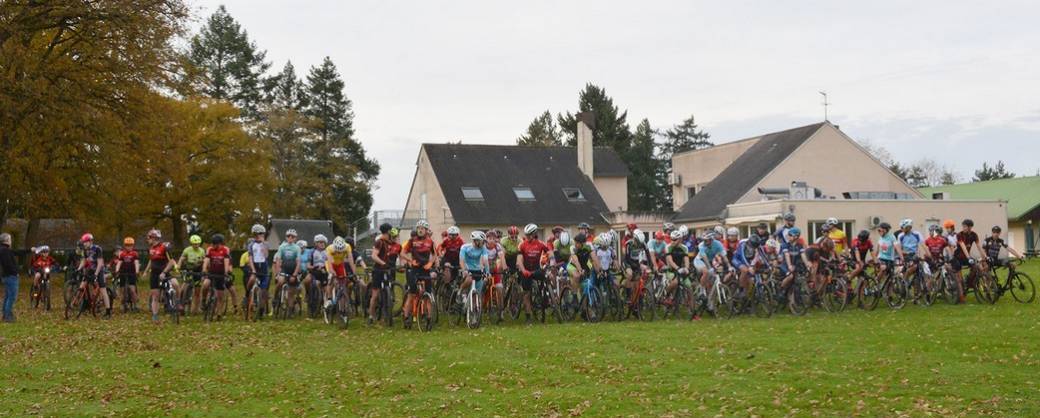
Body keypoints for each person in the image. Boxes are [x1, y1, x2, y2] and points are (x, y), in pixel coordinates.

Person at [401, 220, 436, 324]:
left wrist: (431, 263)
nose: (420, 230)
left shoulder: (430, 242)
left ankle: (428, 317)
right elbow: (402, 253)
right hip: (414, 270)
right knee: (412, 294)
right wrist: (410, 261)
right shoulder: (412, 240)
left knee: (427, 294)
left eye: (422, 228)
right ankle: (407, 316)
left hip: (425, 270)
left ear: (426, 230)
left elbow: (435, 255)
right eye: (419, 228)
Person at [517, 223, 550, 323]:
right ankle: (528, 316)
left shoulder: (540, 244)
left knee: (547, 279)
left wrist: (551, 262)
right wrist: (523, 270)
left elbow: (550, 252)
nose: (527, 237)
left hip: (536, 269)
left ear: (534, 233)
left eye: (529, 234)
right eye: (526, 235)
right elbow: (519, 260)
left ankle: (546, 297)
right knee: (526, 293)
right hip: (526, 270)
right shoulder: (522, 244)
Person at [145, 229, 177, 323]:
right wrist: (146, 271)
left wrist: (164, 272)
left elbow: (171, 262)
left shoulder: (164, 247)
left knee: (175, 284)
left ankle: (178, 303)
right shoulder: (151, 249)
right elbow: (151, 261)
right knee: (155, 296)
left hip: (164, 272)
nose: (147, 240)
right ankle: (155, 315)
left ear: (154, 238)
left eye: (149, 238)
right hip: (154, 274)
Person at [77, 233, 111, 318]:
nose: (84, 244)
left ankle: (108, 311)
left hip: (99, 270)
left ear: (91, 241)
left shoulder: (97, 249)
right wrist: (78, 269)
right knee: (82, 286)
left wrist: (96, 274)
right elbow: (83, 261)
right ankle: (84, 304)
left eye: (86, 242)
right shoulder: (85, 250)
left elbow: (100, 263)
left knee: (103, 290)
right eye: (83, 242)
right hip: (90, 270)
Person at [369, 223, 396, 324]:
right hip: (378, 270)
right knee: (375, 295)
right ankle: (371, 316)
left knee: (388, 289)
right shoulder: (379, 242)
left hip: (387, 269)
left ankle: (387, 312)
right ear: (388, 231)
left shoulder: (389, 242)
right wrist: (383, 263)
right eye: (390, 231)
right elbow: (374, 256)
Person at [696, 232, 729, 312]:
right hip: (700, 261)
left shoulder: (718, 244)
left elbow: (724, 256)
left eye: (706, 241)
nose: (705, 242)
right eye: (704, 240)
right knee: (706, 272)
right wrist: (710, 268)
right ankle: (701, 290)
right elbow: (704, 258)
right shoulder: (701, 245)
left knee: (713, 283)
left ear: (711, 240)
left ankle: (710, 303)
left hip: (710, 261)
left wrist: (729, 266)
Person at [201, 234, 231, 319]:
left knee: (220, 296)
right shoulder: (209, 249)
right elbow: (206, 260)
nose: (213, 245)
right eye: (213, 243)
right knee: (205, 285)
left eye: (215, 244)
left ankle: (219, 313)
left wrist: (226, 272)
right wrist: (204, 269)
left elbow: (226, 261)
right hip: (212, 272)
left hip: (221, 273)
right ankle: (203, 300)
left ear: (220, 244)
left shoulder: (225, 250)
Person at [324, 236, 358, 310]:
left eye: (341, 251)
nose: (339, 252)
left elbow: (351, 261)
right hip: (331, 263)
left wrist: (354, 273)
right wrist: (333, 273)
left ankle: (342, 309)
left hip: (340, 264)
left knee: (342, 283)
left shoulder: (348, 247)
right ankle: (329, 299)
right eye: (338, 251)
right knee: (331, 279)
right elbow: (330, 264)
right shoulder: (329, 249)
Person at [272, 229, 302, 311]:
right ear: (286, 237)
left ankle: (290, 310)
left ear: (295, 238)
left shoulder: (297, 248)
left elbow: (298, 262)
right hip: (284, 268)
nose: (290, 238)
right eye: (288, 236)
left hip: (293, 269)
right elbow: (278, 260)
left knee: (291, 292)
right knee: (280, 281)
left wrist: (295, 274)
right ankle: (275, 297)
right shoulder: (282, 247)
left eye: (292, 236)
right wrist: (278, 272)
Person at [952, 219, 981, 303]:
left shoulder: (974, 235)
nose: (963, 228)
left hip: (965, 258)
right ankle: (961, 297)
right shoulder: (959, 235)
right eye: (963, 226)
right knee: (959, 279)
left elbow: (979, 247)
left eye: (965, 227)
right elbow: (963, 246)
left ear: (970, 227)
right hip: (957, 258)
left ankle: (969, 281)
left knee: (976, 266)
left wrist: (985, 256)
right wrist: (969, 257)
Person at [459, 231, 490, 307]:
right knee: (469, 279)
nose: (484, 243)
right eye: (482, 241)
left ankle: (473, 311)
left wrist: (487, 272)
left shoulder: (483, 248)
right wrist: (464, 270)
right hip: (467, 269)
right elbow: (461, 261)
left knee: (477, 293)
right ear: (476, 241)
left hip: (477, 270)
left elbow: (485, 261)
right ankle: (460, 292)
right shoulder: (465, 247)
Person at [177, 234, 206, 314]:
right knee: (184, 287)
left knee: (197, 291)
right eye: (194, 244)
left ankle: (195, 309)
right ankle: (180, 303)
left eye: (198, 244)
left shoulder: (202, 251)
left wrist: (204, 269)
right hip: (189, 269)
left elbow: (204, 261)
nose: (196, 245)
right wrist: (178, 265)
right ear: (191, 244)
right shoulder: (187, 250)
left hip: (198, 270)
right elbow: (182, 258)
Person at [246, 224, 271, 315]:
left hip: (264, 267)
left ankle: (261, 308)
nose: (258, 236)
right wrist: (253, 269)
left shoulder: (266, 244)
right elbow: (250, 258)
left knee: (263, 290)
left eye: (260, 234)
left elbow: (266, 255)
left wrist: (263, 243)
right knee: (252, 279)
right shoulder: (251, 244)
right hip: (255, 266)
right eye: (256, 234)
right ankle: (247, 293)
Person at [663, 230, 691, 307]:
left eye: (674, 239)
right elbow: (670, 260)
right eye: (671, 239)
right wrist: (677, 268)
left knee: (689, 286)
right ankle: (667, 295)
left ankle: (693, 312)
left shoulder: (684, 248)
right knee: (675, 282)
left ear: (680, 239)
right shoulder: (668, 247)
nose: (672, 241)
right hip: (671, 270)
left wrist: (687, 268)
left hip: (680, 270)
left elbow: (686, 260)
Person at [732, 234, 763, 300]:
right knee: (745, 270)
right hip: (737, 259)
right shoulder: (743, 244)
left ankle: (746, 297)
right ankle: (741, 290)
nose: (754, 248)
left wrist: (769, 266)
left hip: (747, 260)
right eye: (753, 246)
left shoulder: (757, 246)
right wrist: (749, 267)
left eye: (756, 246)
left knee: (750, 280)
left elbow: (762, 255)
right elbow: (743, 256)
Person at [622, 229, 652, 294]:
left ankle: (637, 295)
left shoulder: (643, 243)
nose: (639, 244)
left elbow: (648, 255)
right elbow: (627, 258)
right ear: (634, 239)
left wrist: (651, 265)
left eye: (640, 243)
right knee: (630, 275)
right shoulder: (628, 244)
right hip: (627, 262)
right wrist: (636, 266)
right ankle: (627, 295)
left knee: (638, 280)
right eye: (638, 242)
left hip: (636, 262)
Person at [113, 238, 140, 310]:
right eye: (127, 245)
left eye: (130, 245)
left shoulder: (135, 253)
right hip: (123, 273)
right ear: (125, 246)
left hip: (132, 273)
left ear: (133, 246)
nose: (129, 247)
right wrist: (117, 270)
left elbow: (136, 263)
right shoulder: (122, 253)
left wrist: (137, 271)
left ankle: (135, 304)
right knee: (122, 290)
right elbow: (119, 263)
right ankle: (122, 304)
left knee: (132, 290)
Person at [778, 227, 807, 293]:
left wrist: (807, 265)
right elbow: (787, 255)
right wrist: (789, 266)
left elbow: (803, 255)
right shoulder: (785, 245)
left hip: (794, 265)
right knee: (790, 276)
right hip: (784, 265)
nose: (788, 236)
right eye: (788, 235)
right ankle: (781, 290)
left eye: (790, 235)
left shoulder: (800, 246)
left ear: (796, 236)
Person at [484, 230, 506, 314]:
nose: (492, 240)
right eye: (490, 238)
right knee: (484, 285)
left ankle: (501, 310)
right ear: (486, 239)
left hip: (494, 268)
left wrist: (505, 268)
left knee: (500, 288)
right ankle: (481, 304)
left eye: (493, 238)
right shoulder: (483, 247)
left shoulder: (497, 246)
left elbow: (502, 257)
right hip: (485, 268)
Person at [874, 222, 901, 288]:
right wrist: (874, 259)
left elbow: (897, 247)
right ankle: (876, 281)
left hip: (890, 259)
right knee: (883, 268)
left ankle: (889, 294)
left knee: (890, 277)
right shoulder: (880, 238)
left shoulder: (892, 237)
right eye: (878, 230)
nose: (879, 232)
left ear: (885, 230)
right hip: (881, 258)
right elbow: (877, 250)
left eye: (880, 230)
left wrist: (902, 257)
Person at [307, 234, 330, 310]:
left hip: (324, 271)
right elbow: (308, 265)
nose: (322, 244)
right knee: (313, 282)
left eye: (323, 242)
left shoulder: (327, 252)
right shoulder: (312, 252)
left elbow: (330, 263)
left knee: (327, 286)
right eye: (320, 242)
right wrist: (314, 267)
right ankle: (310, 297)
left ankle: (328, 303)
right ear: (316, 243)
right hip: (314, 271)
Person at [0, 233, 18, 322]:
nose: (11, 241)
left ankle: (5, 314)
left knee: (8, 296)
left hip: (6, 276)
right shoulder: (5, 251)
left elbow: (17, 252)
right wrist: (15, 272)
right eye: (10, 239)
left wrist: (30, 250)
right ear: (6, 240)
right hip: (10, 276)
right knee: (12, 296)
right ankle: (7, 316)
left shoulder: (5, 250)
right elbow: (8, 264)